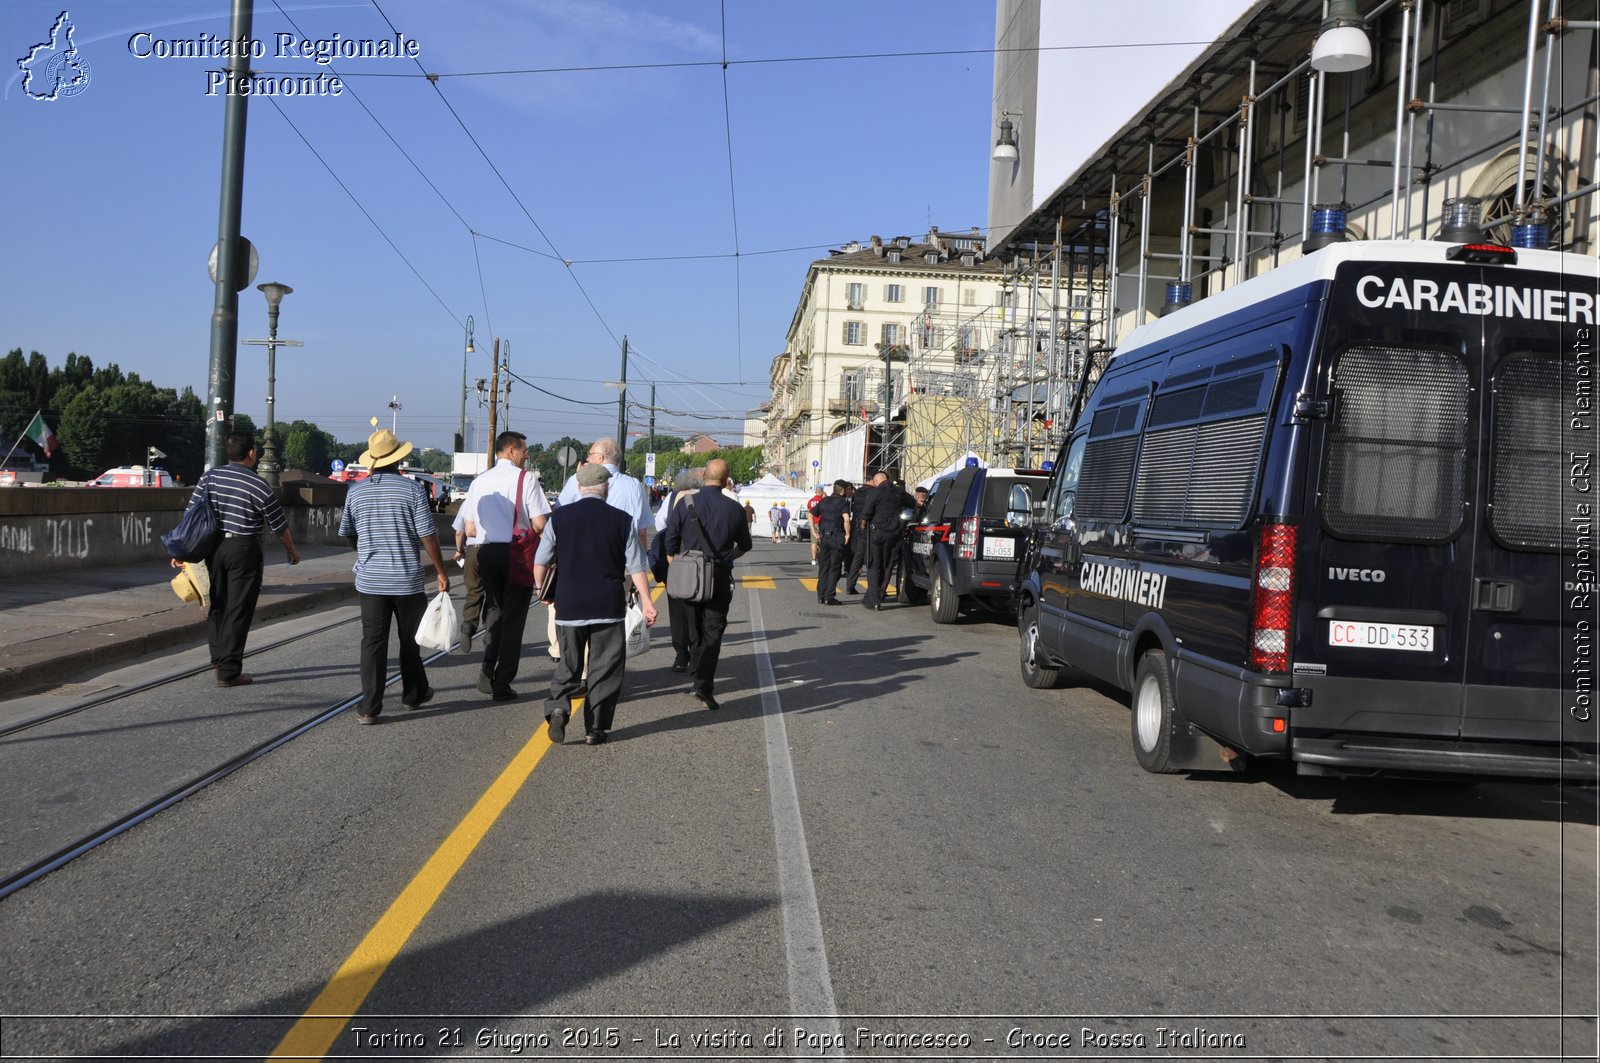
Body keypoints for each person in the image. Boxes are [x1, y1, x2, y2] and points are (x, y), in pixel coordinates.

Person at [535, 463, 657, 746]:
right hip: (607, 605)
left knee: (569, 664)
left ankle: (558, 708)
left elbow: (541, 561)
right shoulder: (622, 520)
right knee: (605, 668)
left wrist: (541, 590)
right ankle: (595, 729)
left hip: (569, 605)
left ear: (579, 487)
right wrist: (647, 602)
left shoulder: (560, 517)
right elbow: (637, 567)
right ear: (607, 488)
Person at [170, 429, 300, 686]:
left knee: (218, 603)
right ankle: (230, 671)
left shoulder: (209, 478)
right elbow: (278, 525)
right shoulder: (258, 484)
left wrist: (182, 551)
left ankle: (218, 659)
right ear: (251, 453)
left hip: (214, 548)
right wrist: (292, 551)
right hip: (244, 549)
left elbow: (191, 515)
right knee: (239, 608)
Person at [339, 429, 450, 724]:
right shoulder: (412, 491)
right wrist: (440, 570)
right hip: (406, 580)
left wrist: (365, 551)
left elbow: (348, 534)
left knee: (373, 642)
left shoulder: (356, 492)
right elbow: (428, 535)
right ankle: (413, 694)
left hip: (370, 582)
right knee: (409, 639)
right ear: (398, 459)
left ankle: (370, 707)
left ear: (373, 459)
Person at [459, 431, 551, 700]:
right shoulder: (526, 479)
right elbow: (539, 524)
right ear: (511, 450)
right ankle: (502, 681)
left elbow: (471, 526)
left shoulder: (479, 482)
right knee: (514, 620)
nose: (527, 455)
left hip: (486, 552)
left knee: (495, 611)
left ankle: (487, 667)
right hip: (516, 555)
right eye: (524, 450)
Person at [551, 437, 655, 664]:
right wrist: (640, 584)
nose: (586, 459)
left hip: (575, 565)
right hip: (621, 566)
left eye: (589, 454)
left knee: (571, 617)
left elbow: (556, 520)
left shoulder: (578, 480)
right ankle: (598, 672)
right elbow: (642, 533)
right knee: (607, 623)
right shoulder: (635, 486)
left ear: (600, 457)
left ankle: (565, 656)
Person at [661, 458, 752, 711]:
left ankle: (695, 674)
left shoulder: (685, 503)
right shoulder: (734, 509)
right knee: (714, 631)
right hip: (719, 576)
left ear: (704, 477)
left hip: (689, 574)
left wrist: (677, 566)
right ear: (726, 480)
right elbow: (746, 545)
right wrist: (726, 558)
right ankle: (703, 685)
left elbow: (670, 541)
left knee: (694, 629)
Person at [856, 471, 914, 610]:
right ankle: (878, 594)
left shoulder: (875, 493)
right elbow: (912, 502)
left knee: (874, 565)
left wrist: (863, 526)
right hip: (894, 534)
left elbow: (866, 514)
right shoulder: (899, 492)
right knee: (888, 566)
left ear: (876, 481)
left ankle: (874, 600)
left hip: (877, 534)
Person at [451, 500, 485, 652]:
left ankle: (468, 626)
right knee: (494, 595)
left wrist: (459, 550)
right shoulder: (501, 500)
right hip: (495, 549)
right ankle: (490, 631)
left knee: (473, 592)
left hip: (473, 550)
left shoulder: (468, 503)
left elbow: (459, 532)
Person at [813, 479, 852, 606]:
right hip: (836, 538)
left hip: (824, 537)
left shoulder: (824, 500)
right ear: (842, 490)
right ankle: (829, 597)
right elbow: (846, 519)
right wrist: (847, 534)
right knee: (834, 568)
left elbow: (810, 514)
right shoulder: (842, 502)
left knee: (824, 567)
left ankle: (820, 595)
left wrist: (814, 532)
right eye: (846, 489)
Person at [842, 480, 870, 594]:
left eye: (850, 490)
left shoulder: (856, 497)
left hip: (856, 529)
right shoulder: (844, 500)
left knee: (858, 557)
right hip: (854, 530)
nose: (849, 492)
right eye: (847, 490)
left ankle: (851, 584)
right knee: (857, 556)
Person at [806, 486, 826, 565]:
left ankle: (813, 559)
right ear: (821, 492)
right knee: (823, 542)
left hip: (813, 523)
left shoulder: (810, 501)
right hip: (822, 523)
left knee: (813, 542)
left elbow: (809, 513)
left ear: (815, 492)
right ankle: (822, 557)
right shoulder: (823, 500)